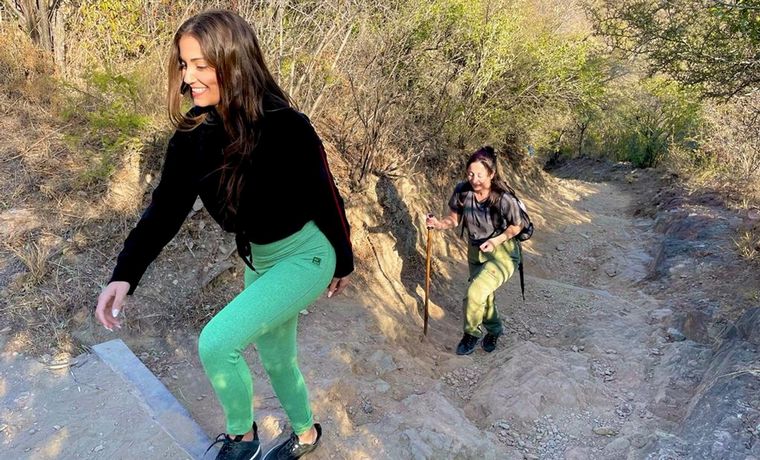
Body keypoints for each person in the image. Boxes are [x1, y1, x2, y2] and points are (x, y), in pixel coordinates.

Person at [94, 10, 353, 460]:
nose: (188, 77)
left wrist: (343, 261)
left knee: (217, 343)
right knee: (277, 359)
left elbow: (326, 196)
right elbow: (165, 210)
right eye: (184, 64)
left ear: (233, 62)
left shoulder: (286, 125)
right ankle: (307, 434)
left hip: (306, 255)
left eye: (201, 65)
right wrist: (125, 273)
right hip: (260, 261)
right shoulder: (193, 135)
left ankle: (242, 439)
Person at [426, 146, 523, 355]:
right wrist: (438, 224)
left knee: (474, 293)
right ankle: (495, 330)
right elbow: (454, 219)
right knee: (484, 296)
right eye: (470, 174)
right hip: (475, 251)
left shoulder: (503, 198)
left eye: (480, 175)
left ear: (491, 174)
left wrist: (496, 241)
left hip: (503, 254)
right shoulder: (462, 191)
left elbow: (516, 226)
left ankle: (471, 333)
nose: (474, 179)